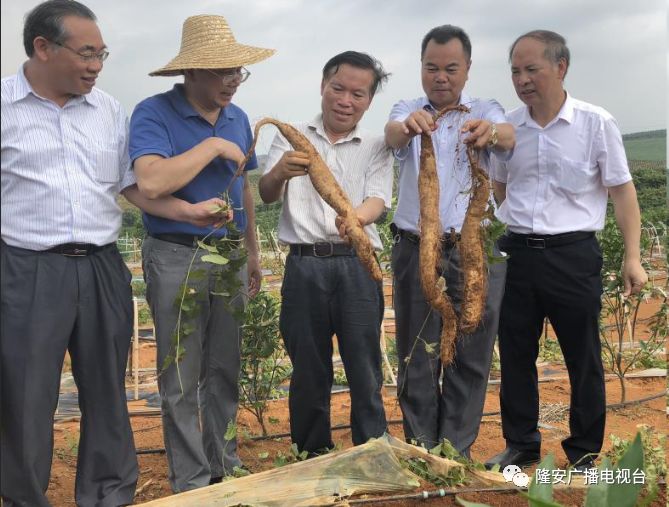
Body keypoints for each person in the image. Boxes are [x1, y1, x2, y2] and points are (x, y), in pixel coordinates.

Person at [485, 30, 648, 472]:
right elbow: (499, 183)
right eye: (515, 71)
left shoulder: (595, 123)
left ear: (561, 67)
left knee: (583, 356)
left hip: (572, 254)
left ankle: (584, 452)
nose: (522, 79)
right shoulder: (509, 128)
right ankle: (521, 444)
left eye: (531, 69)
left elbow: (623, 192)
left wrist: (632, 256)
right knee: (516, 352)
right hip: (515, 253)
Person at [1, 1, 139, 505]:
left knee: (107, 390)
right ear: (42, 47)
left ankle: (107, 495)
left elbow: (131, 186)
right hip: (27, 267)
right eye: (86, 54)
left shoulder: (109, 110)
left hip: (103, 265)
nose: (96, 66)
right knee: (25, 394)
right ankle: (24, 498)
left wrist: (192, 213)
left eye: (101, 54)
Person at [128, 15, 273, 492]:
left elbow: (244, 190)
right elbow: (149, 182)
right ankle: (190, 481)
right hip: (174, 254)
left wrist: (252, 251)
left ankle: (223, 465)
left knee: (223, 368)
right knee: (180, 374)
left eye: (237, 71)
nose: (232, 80)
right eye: (221, 70)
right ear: (189, 72)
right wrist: (212, 145)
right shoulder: (154, 113)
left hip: (228, 255)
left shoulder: (239, 117)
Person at [384, 25, 515, 459]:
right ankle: (422, 447)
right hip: (415, 244)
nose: (441, 77)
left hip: (474, 245)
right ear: (422, 69)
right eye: (432, 68)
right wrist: (408, 127)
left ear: (468, 69)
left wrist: (490, 134)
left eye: (451, 69)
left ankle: (455, 449)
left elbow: (507, 135)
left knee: (472, 346)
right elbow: (392, 135)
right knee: (416, 349)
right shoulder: (408, 108)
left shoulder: (484, 108)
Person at [258, 51, 393, 456]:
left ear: (368, 101)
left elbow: (378, 200)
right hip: (304, 265)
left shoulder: (376, 144)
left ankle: (370, 452)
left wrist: (354, 220)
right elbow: (266, 194)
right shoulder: (290, 134)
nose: (345, 100)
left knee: (364, 366)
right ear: (323, 86)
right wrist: (280, 170)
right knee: (308, 368)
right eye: (338, 88)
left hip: (357, 264)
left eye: (357, 93)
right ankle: (311, 452)